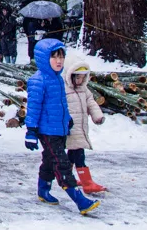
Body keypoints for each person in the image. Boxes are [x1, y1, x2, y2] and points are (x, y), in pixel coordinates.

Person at [24, 38, 99, 215]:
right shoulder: (38, 81)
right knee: (62, 163)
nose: (59, 61)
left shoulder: (59, 79)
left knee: (50, 160)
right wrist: (31, 131)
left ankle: (43, 189)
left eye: (61, 57)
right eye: (54, 57)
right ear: (44, 58)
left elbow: (61, 103)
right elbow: (33, 107)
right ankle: (79, 200)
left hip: (60, 128)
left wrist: (68, 119)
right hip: (46, 130)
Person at [63, 58, 106, 194]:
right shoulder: (63, 89)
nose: (80, 81)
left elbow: (91, 103)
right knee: (79, 154)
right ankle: (87, 183)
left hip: (81, 127)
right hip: (70, 128)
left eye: (83, 78)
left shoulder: (84, 90)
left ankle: (66, 178)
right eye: (78, 78)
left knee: (72, 154)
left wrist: (97, 116)